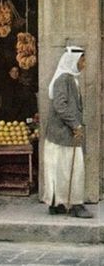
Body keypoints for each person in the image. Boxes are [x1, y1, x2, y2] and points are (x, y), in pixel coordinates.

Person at [43, 46, 93, 218]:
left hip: (64, 134)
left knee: (60, 169)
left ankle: (58, 204)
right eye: (82, 60)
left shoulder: (70, 79)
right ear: (74, 61)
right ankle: (75, 205)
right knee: (71, 169)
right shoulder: (63, 79)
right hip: (62, 134)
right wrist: (75, 125)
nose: (84, 63)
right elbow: (60, 106)